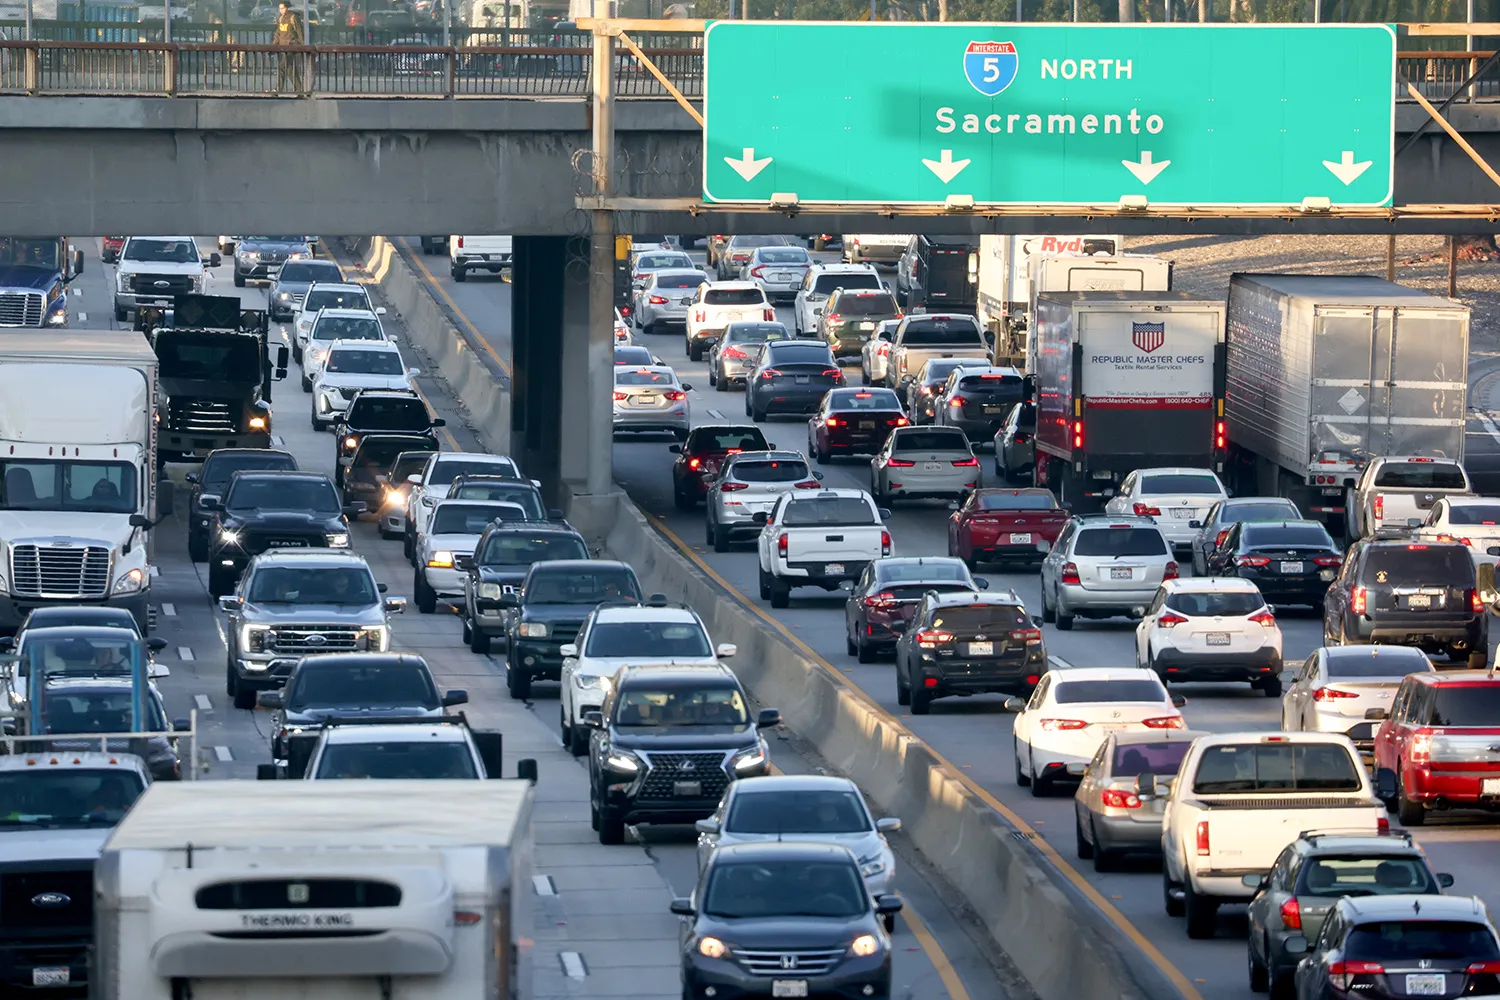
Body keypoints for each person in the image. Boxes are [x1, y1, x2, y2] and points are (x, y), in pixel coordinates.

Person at [273, 0, 304, 94]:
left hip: (291, 47)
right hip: (283, 47)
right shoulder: (280, 18)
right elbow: (278, 34)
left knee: (282, 66)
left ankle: (278, 89)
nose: (281, 10)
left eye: (282, 8)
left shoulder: (293, 17)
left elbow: (300, 32)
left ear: (287, 7)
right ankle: (299, 90)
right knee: (290, 68)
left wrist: (301, 46)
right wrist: (273, 46)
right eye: (280, 8)